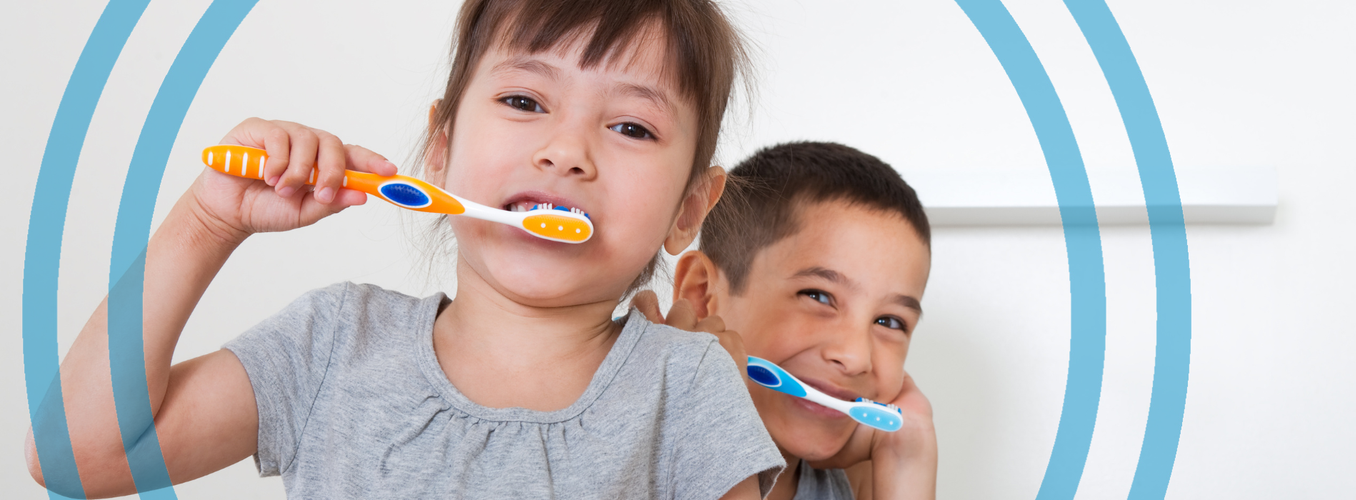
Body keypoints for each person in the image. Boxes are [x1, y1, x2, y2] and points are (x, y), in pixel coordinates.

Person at [26, 0, 784, 497]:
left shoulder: (686, 389)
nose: (566, 151)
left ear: (689, 209)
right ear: (441, 147)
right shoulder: (331, 344)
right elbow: (74, 457)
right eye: (524, 101)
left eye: (632, 127)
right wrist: (208, 222)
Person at [635, 142, 937, 499]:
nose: (856, 357)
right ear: (701, 294)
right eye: (818, 296)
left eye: (889, 322)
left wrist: (906, 461)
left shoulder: (865, 481)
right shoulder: (611, 461)